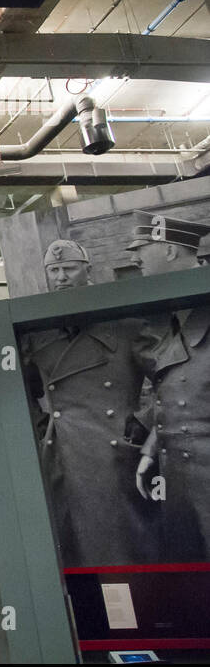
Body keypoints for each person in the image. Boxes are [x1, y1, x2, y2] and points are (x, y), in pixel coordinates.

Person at [22, 240, 156, 566]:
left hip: (114, 454)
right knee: (71, 553)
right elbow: (20, 389)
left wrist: (142, 423)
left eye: (68, 268)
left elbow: (172, 379)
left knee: (122, 551)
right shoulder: (37, 333)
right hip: (61, 455)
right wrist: (42, 427)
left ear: (88, 271)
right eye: (54, 271)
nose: (61, 277)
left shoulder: (125, 325)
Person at [130, 213, 210, 561]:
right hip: (180, 473)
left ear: (170, 251)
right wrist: (152, 449)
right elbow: (175, 391)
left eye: (143, 248)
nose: (135, 258)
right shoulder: (171, 314)